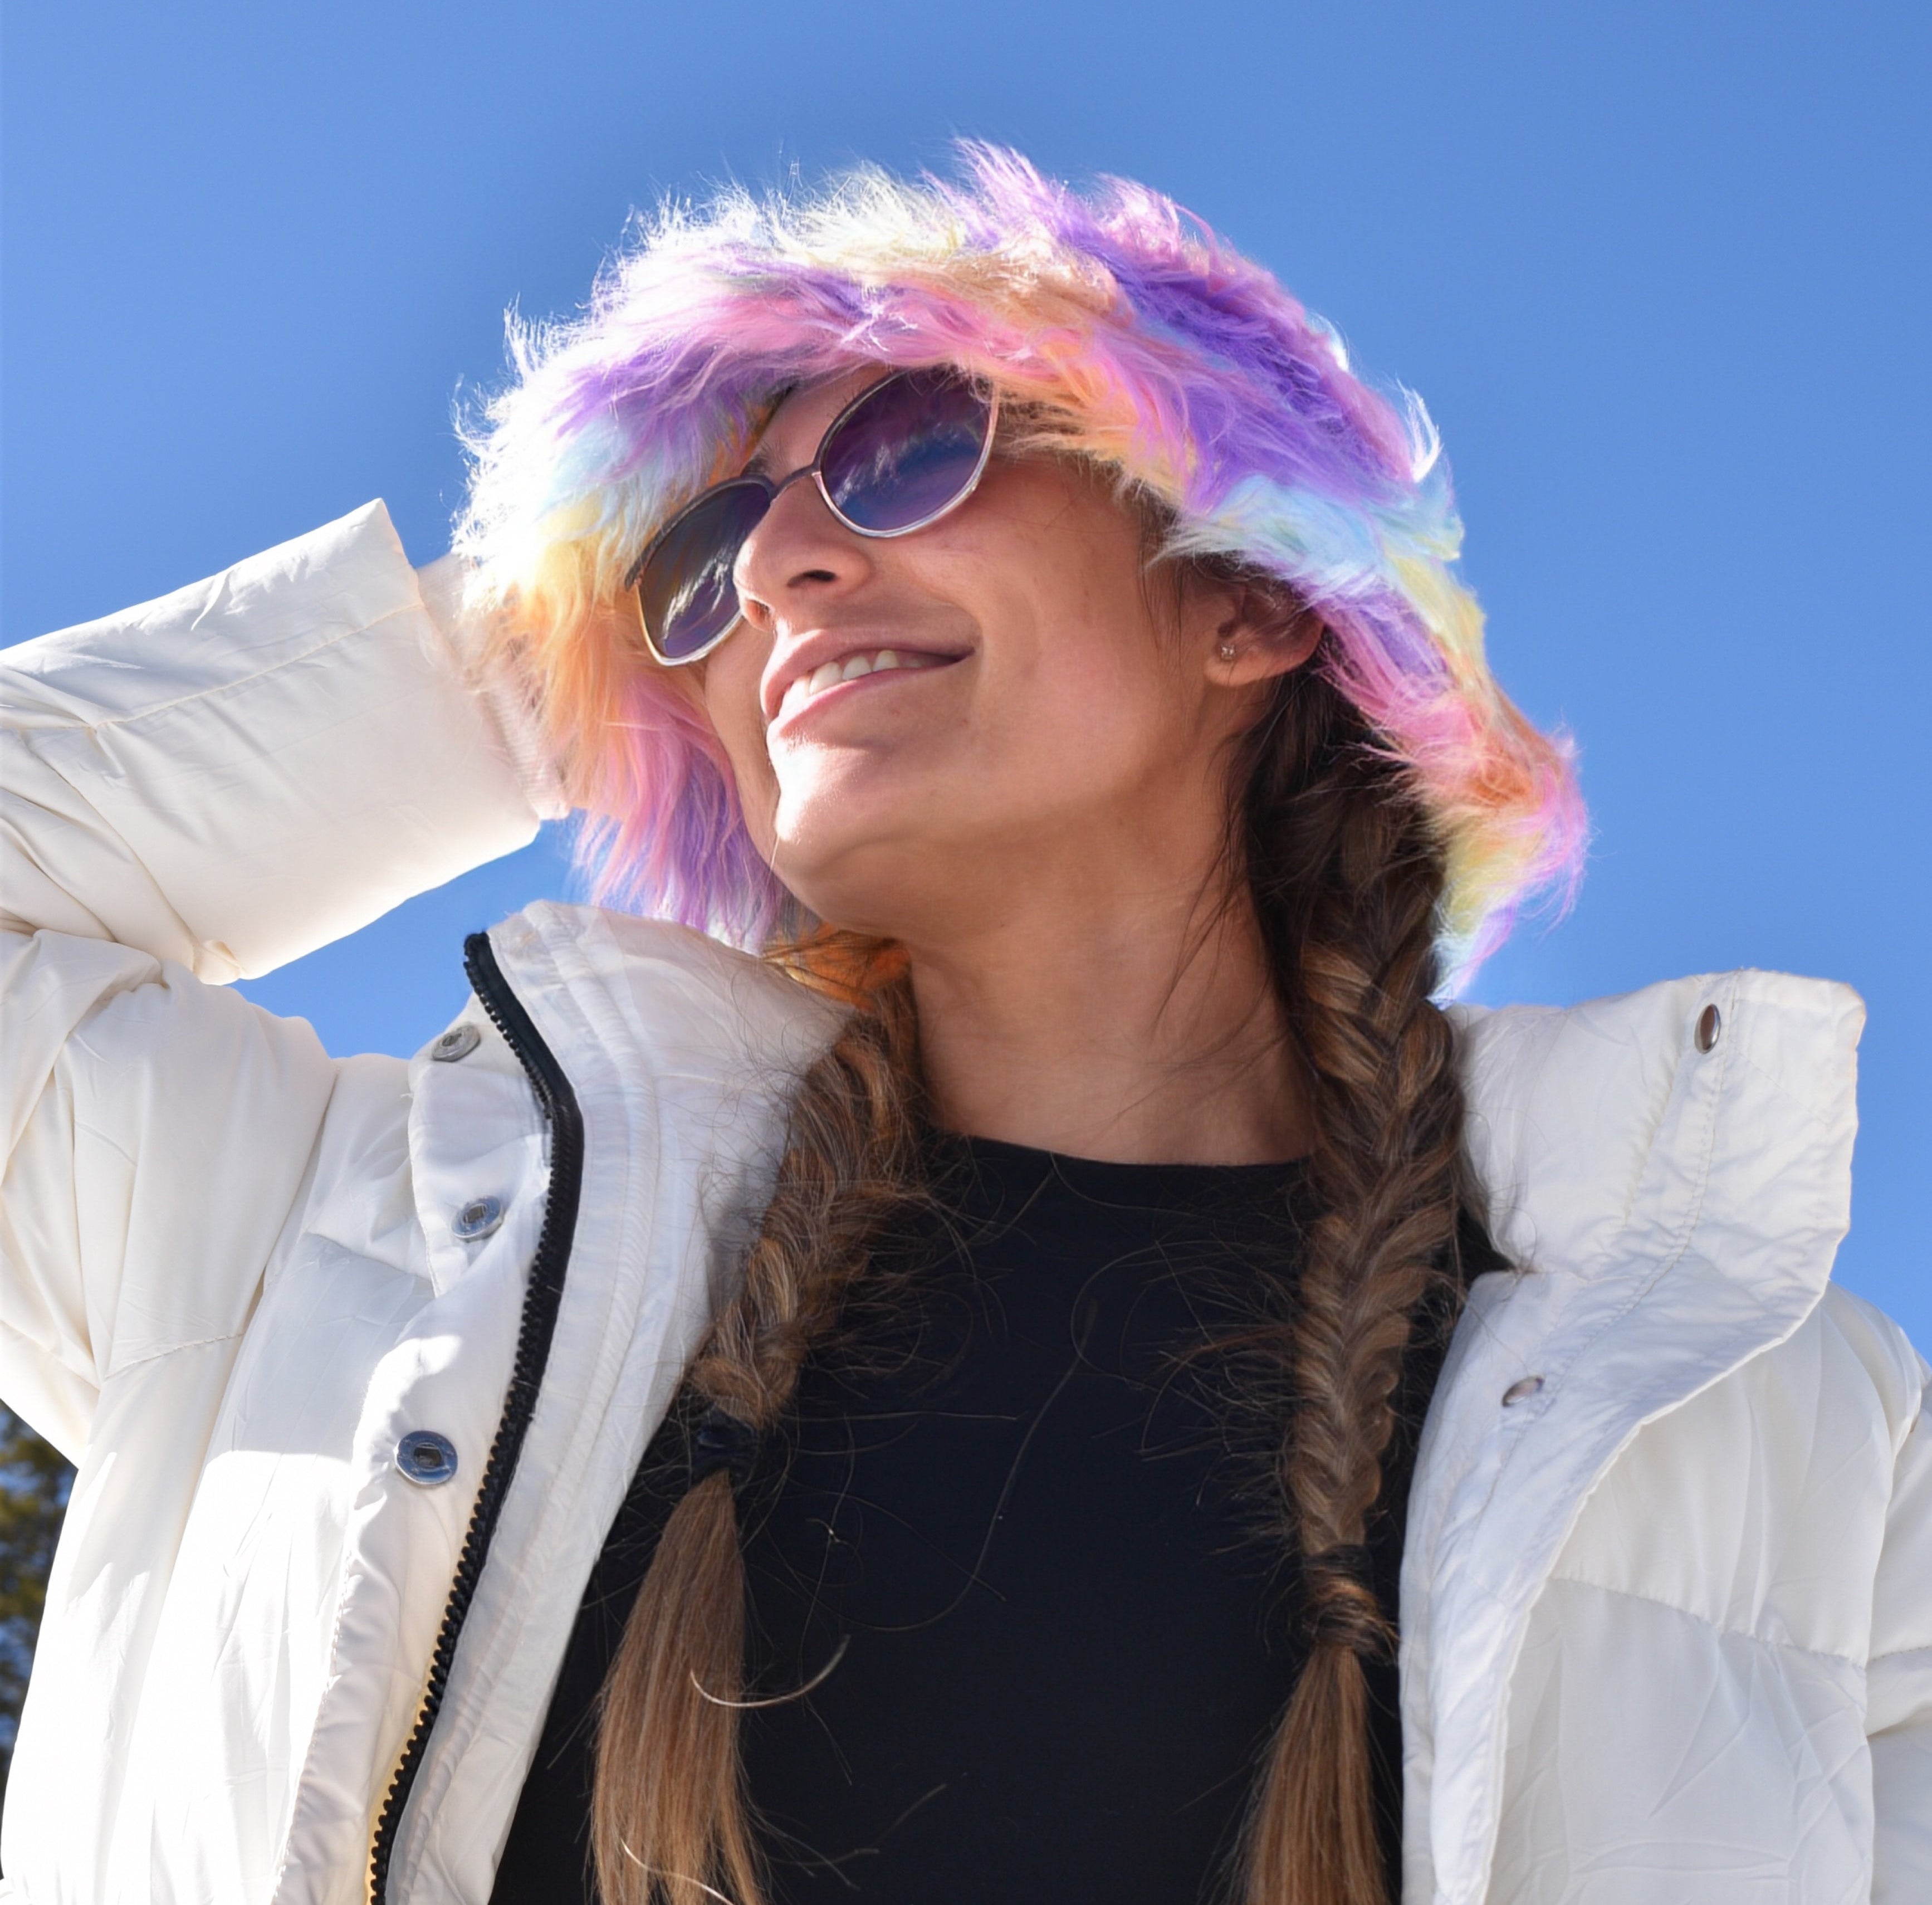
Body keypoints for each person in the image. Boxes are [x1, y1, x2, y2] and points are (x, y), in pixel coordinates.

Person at [0, 145, 1925, 1905]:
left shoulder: (1783, 1430)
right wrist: (546, 631)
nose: (769, 566)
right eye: (704, 557)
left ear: (1253, 595)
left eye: (912, 448)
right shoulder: (339, 1241)